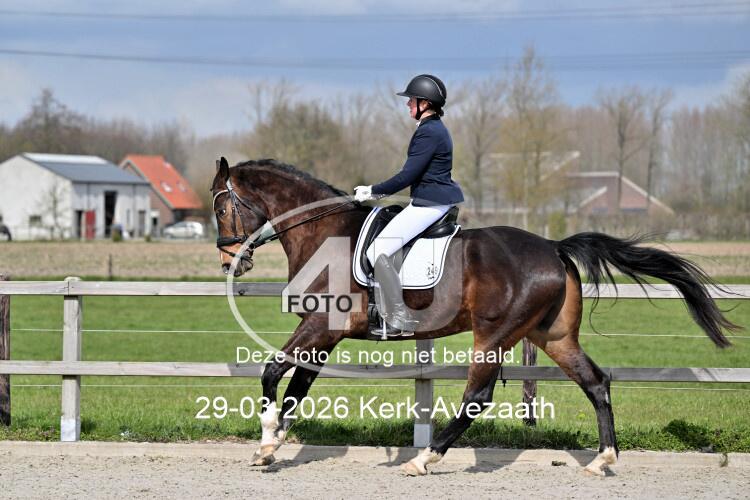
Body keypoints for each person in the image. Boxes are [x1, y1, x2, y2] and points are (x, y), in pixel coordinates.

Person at [353, 74, 464, 336]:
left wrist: (373, 191)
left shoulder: (429, 132)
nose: (408, 104)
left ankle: (398, 318)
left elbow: (408, 176)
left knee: (377, 251)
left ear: (425, 104)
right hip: (432, 201)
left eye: (412, 100)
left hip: (429, 204)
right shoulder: (433, 129)